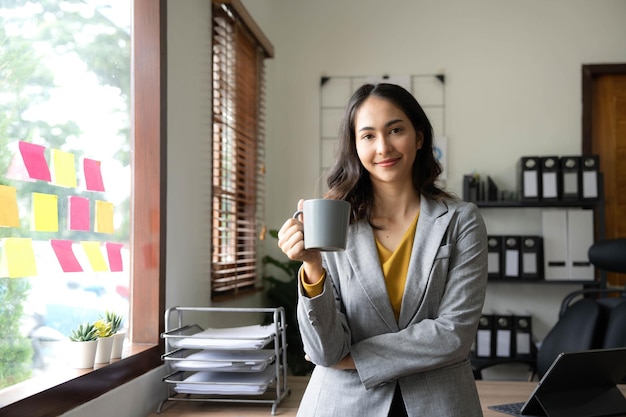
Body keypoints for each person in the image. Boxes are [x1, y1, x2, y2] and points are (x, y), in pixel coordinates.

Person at [277, 83, 488, 417]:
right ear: (355, 147)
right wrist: (312, 265)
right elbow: (324, 351)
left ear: (419, 137)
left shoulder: (461, 220)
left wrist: (355, 359)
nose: (383, 146)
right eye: (368, 136)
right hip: (342, 404)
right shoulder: (332, 221)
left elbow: (454, 334)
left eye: (395, 130)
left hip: (440, 403)